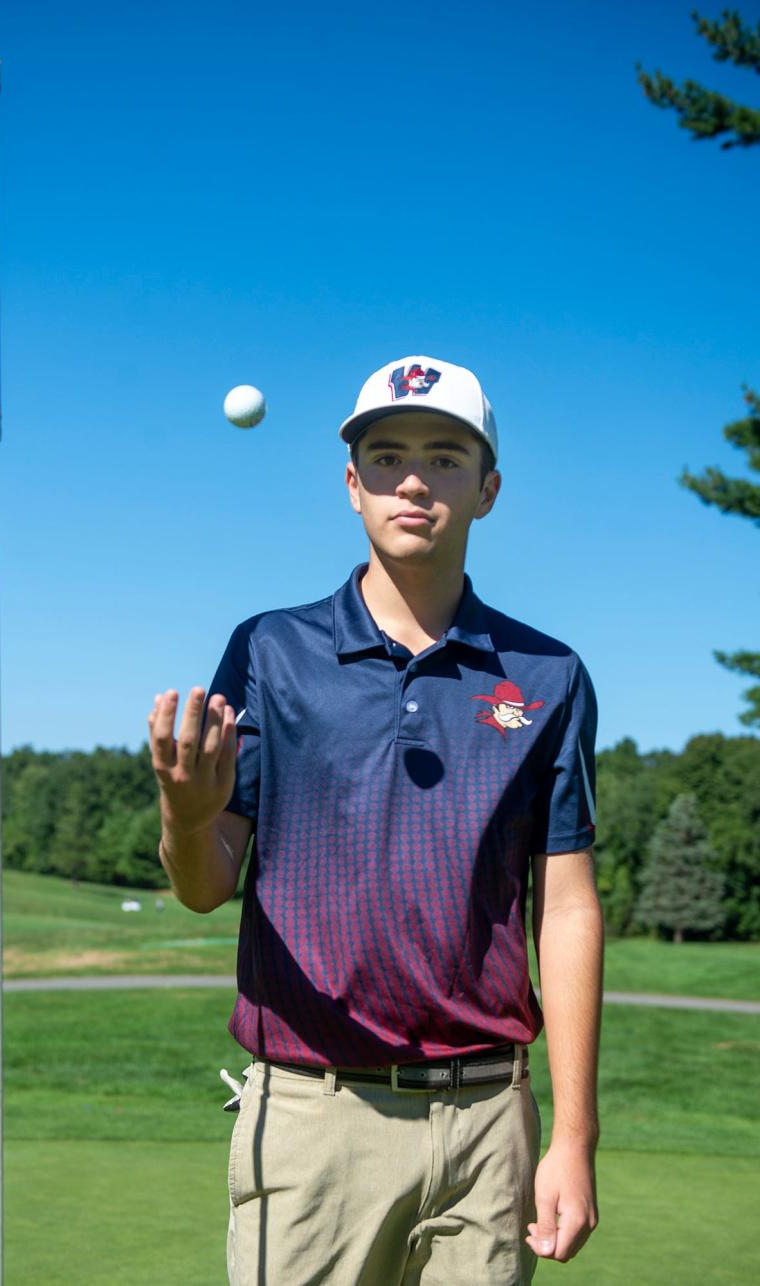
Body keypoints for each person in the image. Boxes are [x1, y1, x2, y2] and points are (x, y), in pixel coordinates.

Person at [148, 355, 603, 1285]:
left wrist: (575, 1136)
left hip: (487, 1121)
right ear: (351, 484)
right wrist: (188, 817)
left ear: (487, 490)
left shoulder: (548, 676)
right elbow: (206, 888)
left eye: (444, 458)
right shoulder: (269, 650)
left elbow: (566, 909)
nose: (412, 479)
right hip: (315, 1119)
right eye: (386, 455)